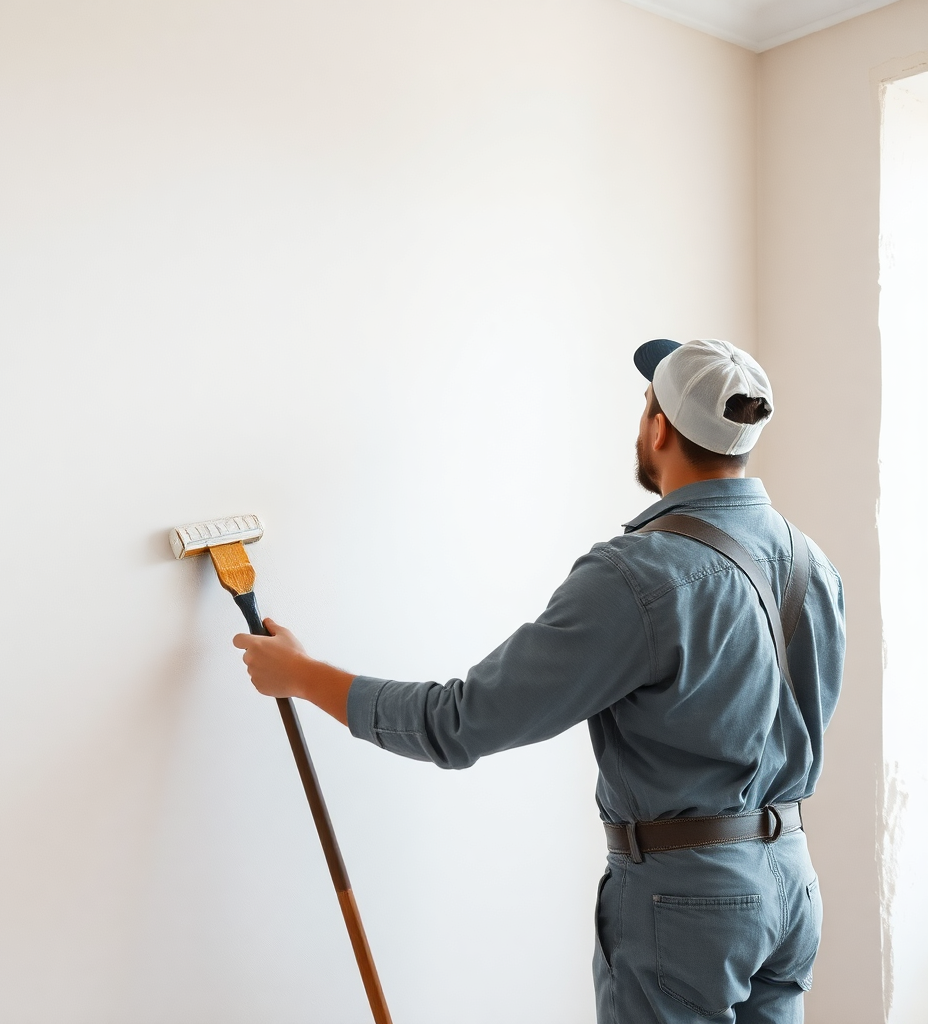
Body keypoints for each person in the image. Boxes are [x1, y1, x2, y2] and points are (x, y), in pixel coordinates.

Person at [233, 338, 845, 1024]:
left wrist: (304, 676)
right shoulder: (811, 562)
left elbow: (460, 723)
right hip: (791, 885)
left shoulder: (640, 576)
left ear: (658, 427)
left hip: (687, 902)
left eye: (646, 401)